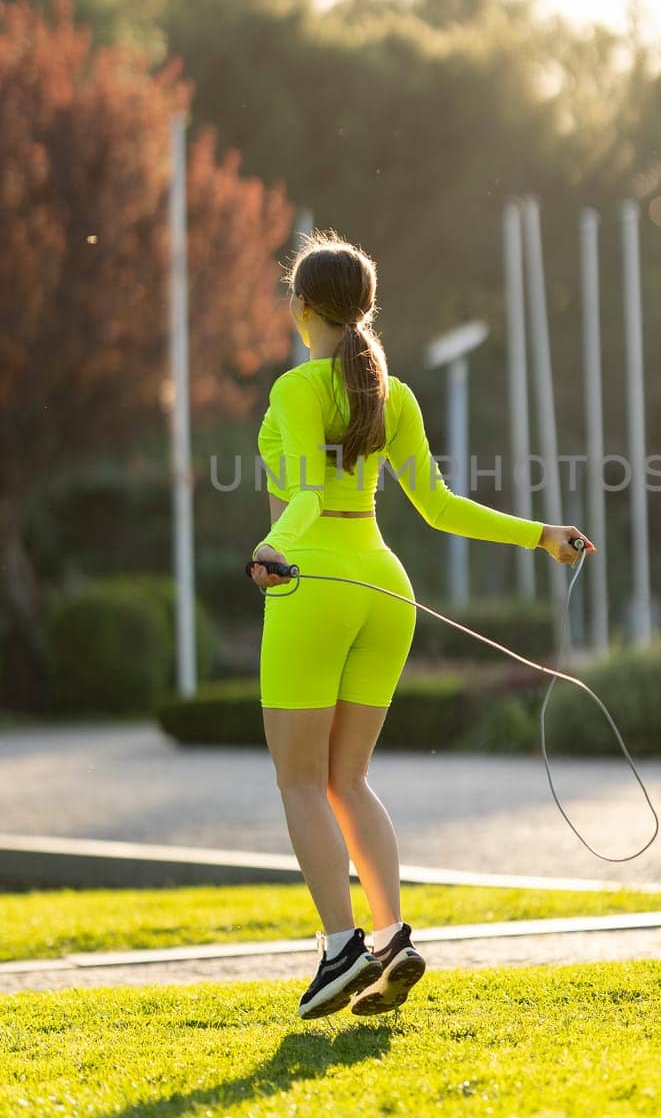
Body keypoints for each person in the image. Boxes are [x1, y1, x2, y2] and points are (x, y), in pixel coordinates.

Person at [247, 229, 595, 1021]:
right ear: (363, 308)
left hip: (317, 583)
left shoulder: (297, 390)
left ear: (304, 310)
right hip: (385, 586)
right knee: (349, 780)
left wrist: (273, 547)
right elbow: (438, 508)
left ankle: (341, 948)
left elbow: (303, 496)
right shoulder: (393, 393)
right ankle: (391, 936)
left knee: (301, 781)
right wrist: (540, 535)